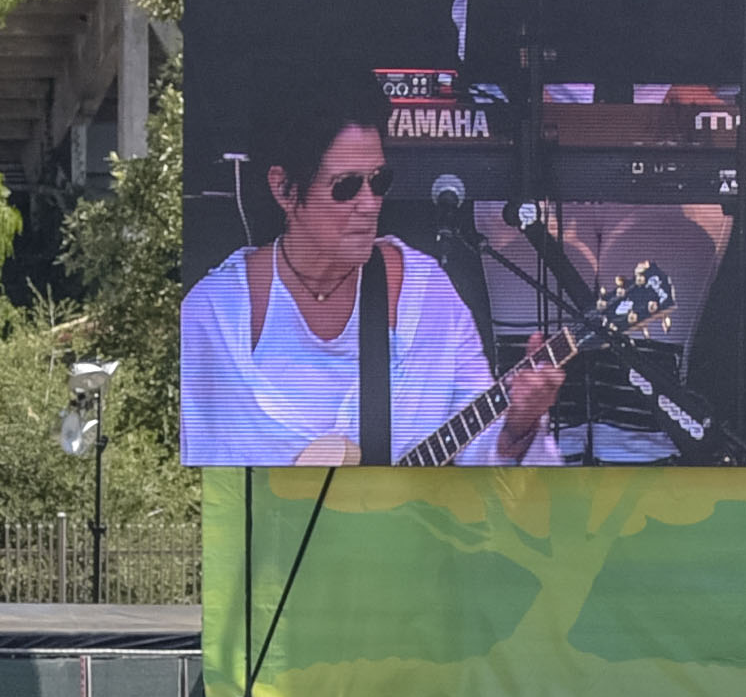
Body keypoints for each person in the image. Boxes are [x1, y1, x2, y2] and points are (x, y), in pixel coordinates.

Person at [178, 118, 564, 467]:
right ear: (284, 189)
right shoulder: (213, 314)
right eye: (345, 187)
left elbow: (480, 459)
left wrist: (518, 426)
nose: (369, 204)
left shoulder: (426, 295)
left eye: (379, 182)